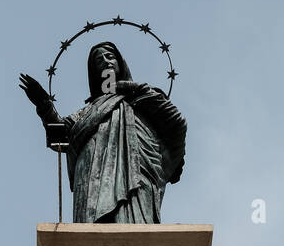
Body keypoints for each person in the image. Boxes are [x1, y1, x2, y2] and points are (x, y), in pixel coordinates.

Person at [20, 41, 187, 223]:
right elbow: (61, 133)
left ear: (120, 62)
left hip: (137, 169)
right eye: (99, 61)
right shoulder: (89, 110)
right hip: (94, 175)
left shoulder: (144, 96)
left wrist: (130, 89)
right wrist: (45, 106)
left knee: (136, 222)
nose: (106, 62)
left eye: (110, 56)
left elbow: (176, 121)